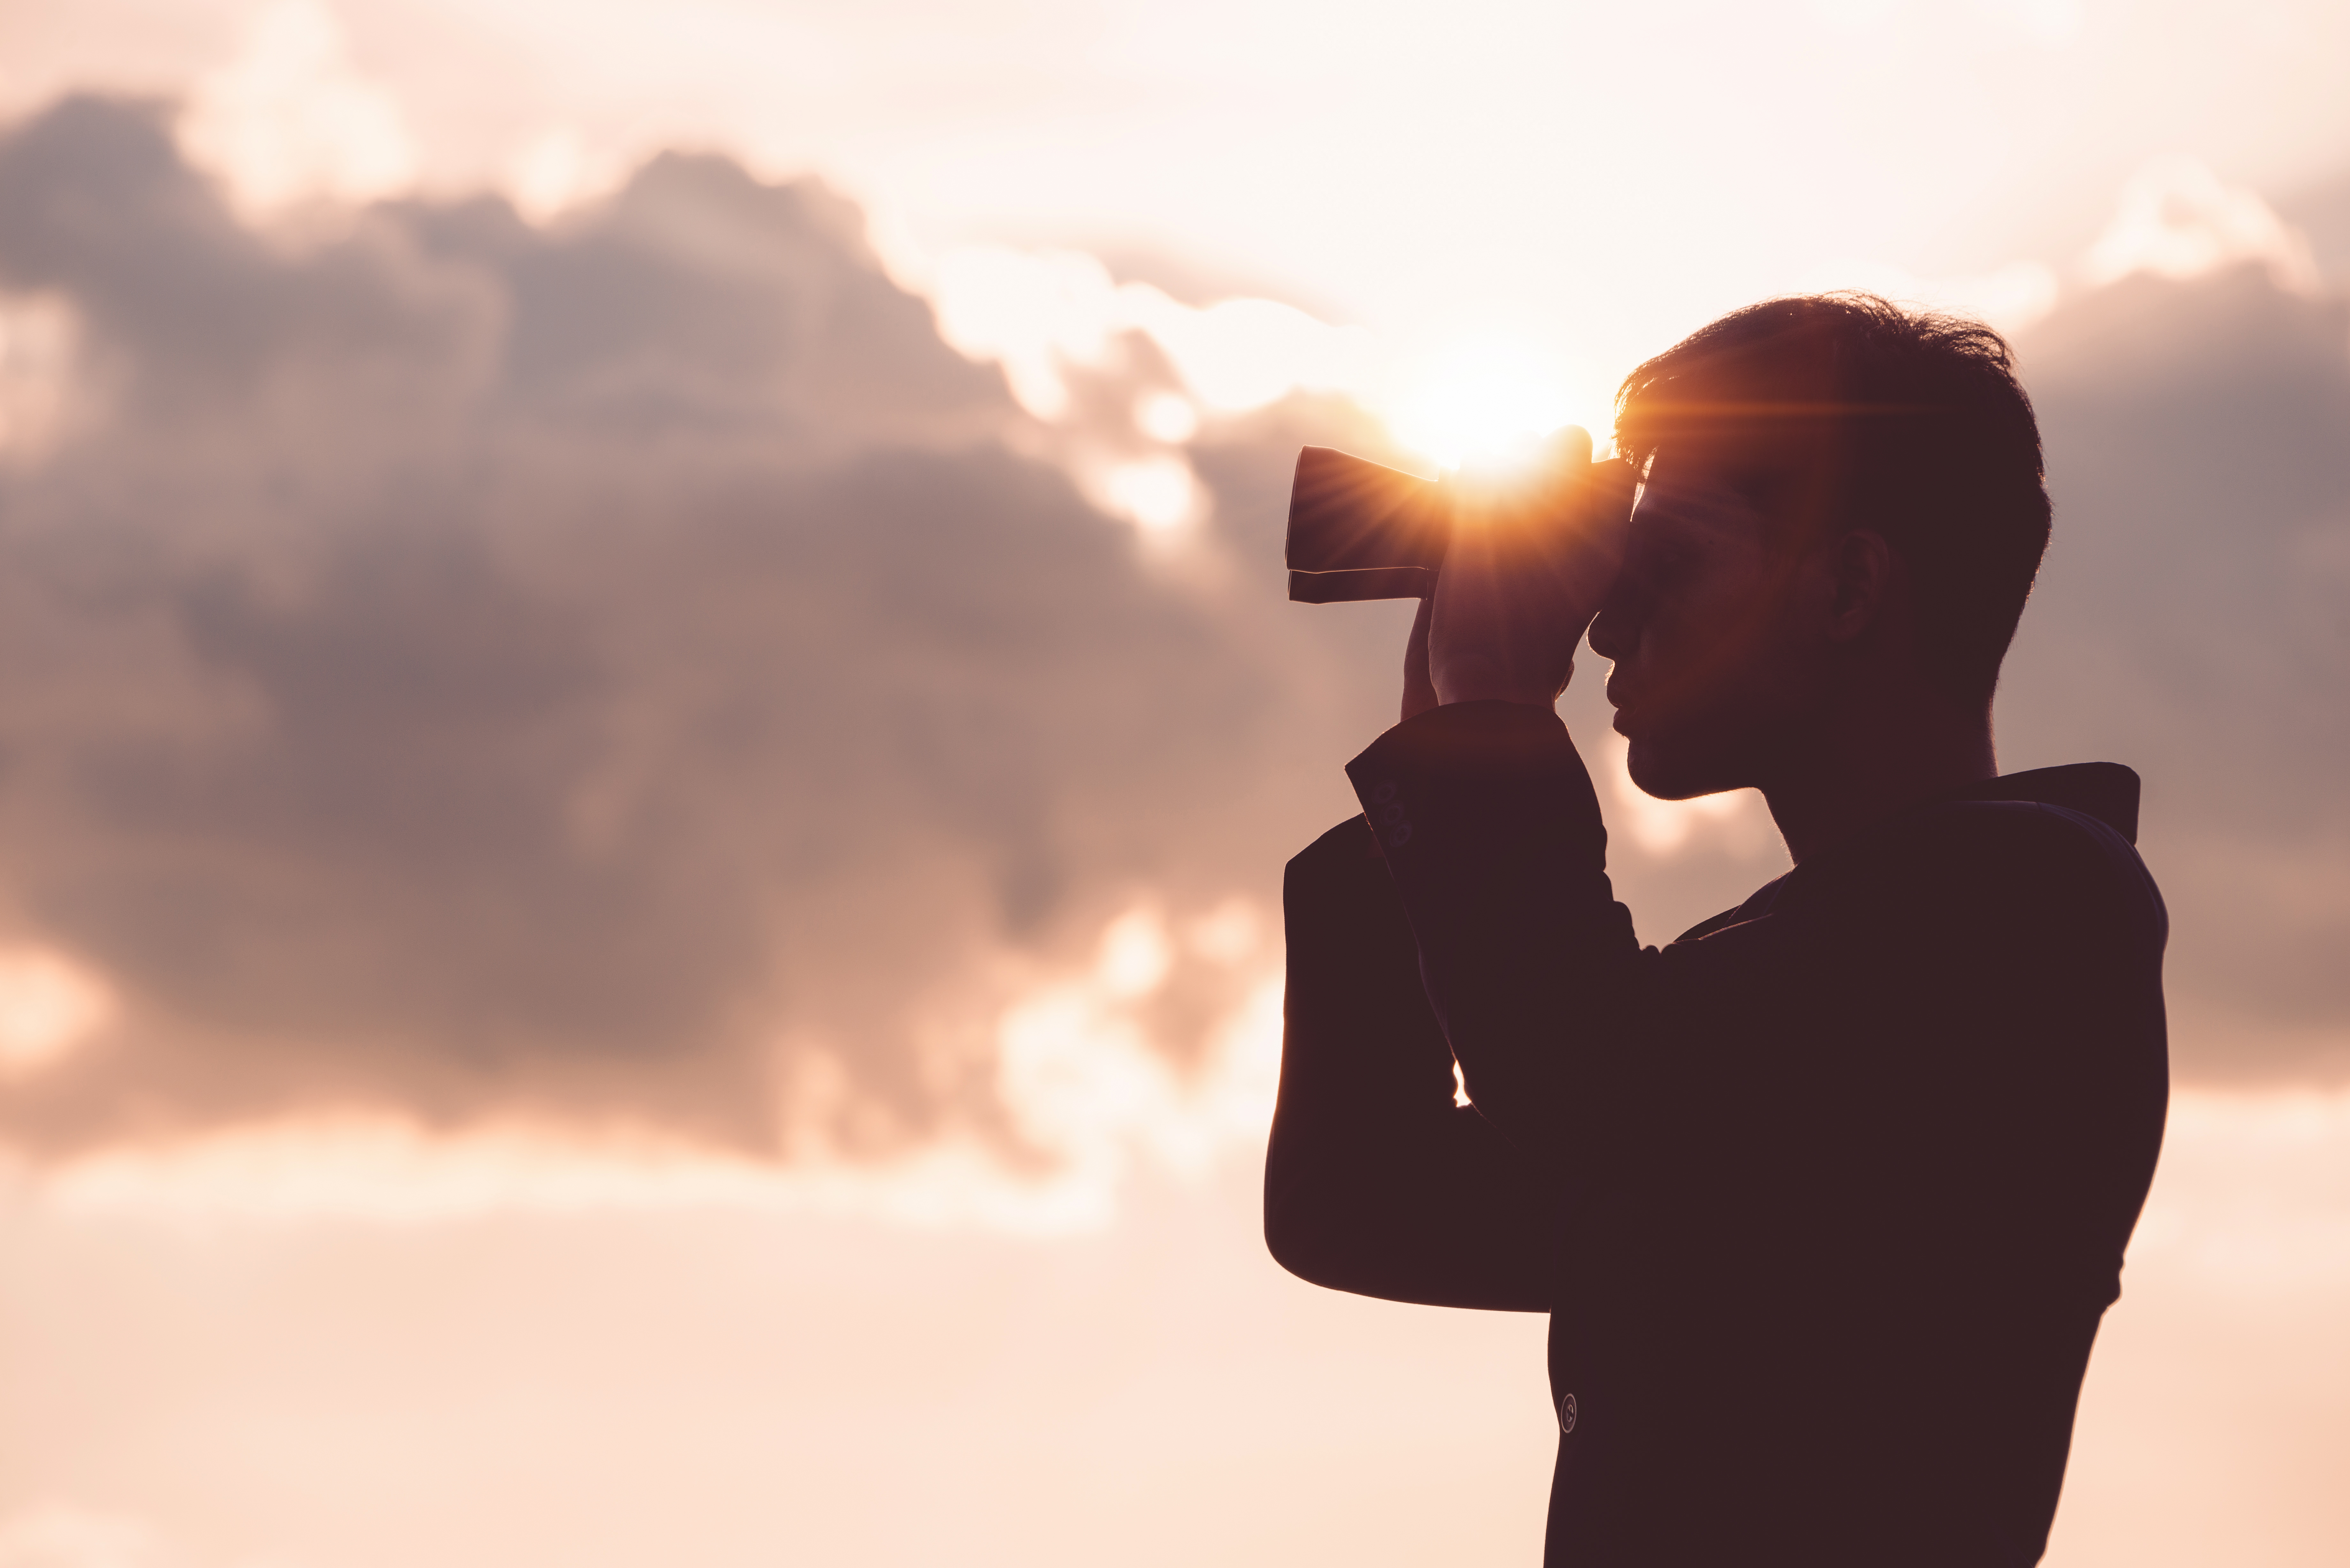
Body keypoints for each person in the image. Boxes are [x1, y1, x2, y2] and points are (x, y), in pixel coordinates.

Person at [1264, 293, 2169, 1566]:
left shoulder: (2037, 910)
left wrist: (1489, 716)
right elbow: (1358, 1198)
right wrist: (1443, 723)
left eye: (1662, 566)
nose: (1611, 623)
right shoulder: (1775, 998)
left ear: (1849, 584)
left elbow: (1576, 1084)